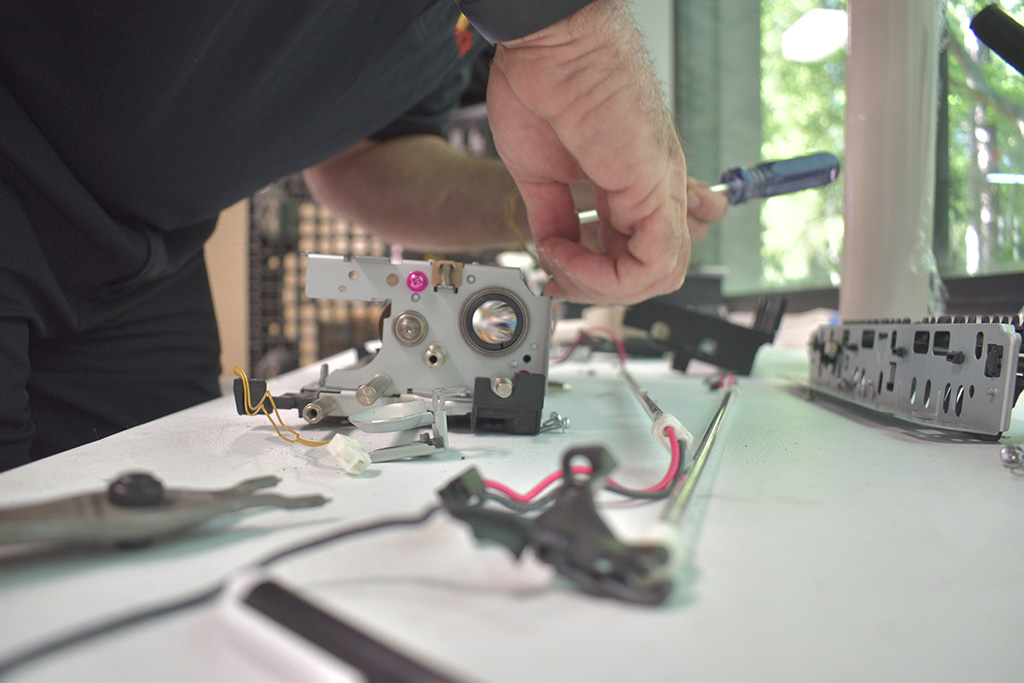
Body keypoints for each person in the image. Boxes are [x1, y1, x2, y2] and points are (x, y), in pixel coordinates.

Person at [0, 0, 728, 472]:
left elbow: (365, 161)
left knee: (143, 544)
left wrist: (560, 207)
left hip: (144, 255)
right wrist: (575, 36)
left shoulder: (480, 27)